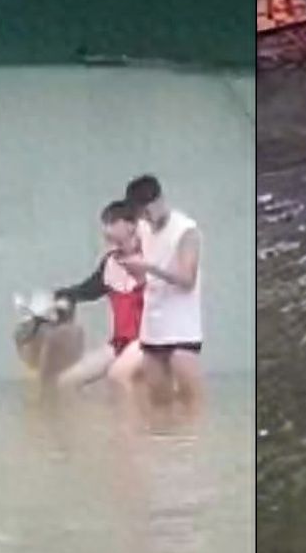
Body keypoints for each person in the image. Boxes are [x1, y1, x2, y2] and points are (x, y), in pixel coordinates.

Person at [118, 175, 203, 414]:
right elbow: (147, 277)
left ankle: (192, 448)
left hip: (182, 328)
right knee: (158, 404)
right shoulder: (144, 230)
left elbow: (187, 279)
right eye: (140, 212)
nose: (145, 217)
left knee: (191, 405)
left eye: (147, 211)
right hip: (154, 325)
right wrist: (136, 271)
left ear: (159, 200)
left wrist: (148, 267)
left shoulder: (186, 230)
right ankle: (163, 448)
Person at [53, 200, 148, 391]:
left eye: (114, 221)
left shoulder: (154, 259)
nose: (108, 227)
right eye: (106, 222)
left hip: (150, 344)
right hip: (119, 344)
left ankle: (133, 420)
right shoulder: (110, 262)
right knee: (65, 382)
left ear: (132, 225)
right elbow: (90, 289)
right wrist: (65, 295)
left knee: (118, 376)